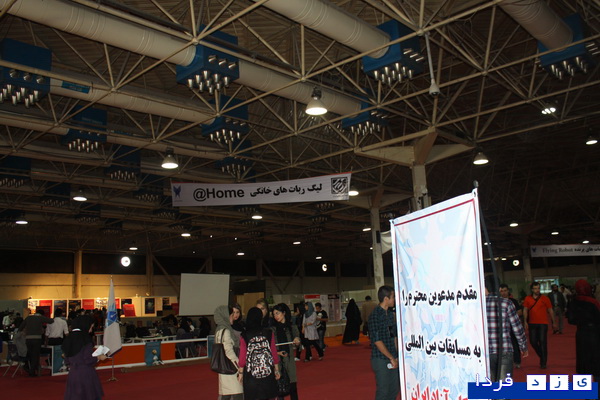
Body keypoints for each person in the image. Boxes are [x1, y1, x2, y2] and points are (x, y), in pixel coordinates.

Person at [486, 284, 528, 383]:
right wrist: (523, 346)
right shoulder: (506, 303)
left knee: (489, 384)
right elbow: (517, 327)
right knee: (504, 385)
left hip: (485, 351)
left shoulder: (477, 305)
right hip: (504, 349)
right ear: (499, 289)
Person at [238, 307, 280, 400]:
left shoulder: (245, 335)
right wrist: (276, 370)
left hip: (251, 375)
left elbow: (242, 357)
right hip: (267, 373)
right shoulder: (269, 333)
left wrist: (240, 373)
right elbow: (273, 352)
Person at [62, 315, 106, 399]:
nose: (91, 330)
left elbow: (66, 359)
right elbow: (88, 360)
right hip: (86, 373)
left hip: (73, 373)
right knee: (88, 396)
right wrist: (99, 357)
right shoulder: (86, 339)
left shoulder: (68, 338)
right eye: (91, 327)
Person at [368, 285, 399, 400]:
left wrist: (396, 355)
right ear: (386, 299)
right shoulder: (375, 315)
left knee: (394, 389)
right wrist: (391, 357)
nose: (394, 299)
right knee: (383, 391)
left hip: (392, 357)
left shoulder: (390, 315)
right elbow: (377, 340)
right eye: (393, 297)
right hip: (380, 359)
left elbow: (393, 335)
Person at [567, 279, 600, 382]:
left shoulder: (573, 302)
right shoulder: (593, 302)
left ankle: (584, 385)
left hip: (581, 332)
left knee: (582, 357)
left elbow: (570, 320)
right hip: (595, 332)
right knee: (596, 357)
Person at [523, 281, 556, 369]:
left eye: (538, 288)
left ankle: (543, 362)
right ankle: (542, 355)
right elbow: (525, 310)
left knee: (542, 341)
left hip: (543, 323)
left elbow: (550, 310)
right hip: (532, 323)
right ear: (532, 289)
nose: (537, 290)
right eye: (535, 288)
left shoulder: (545, 299)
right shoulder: (527, 298)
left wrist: (554, 322)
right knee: (533, 341)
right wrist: (525, 321)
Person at [214, 305, 244, 400]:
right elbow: (229, 351)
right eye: (231, 315)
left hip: (225, 367)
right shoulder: (226, 330)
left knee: (226, 394)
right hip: (231, 367)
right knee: (236, 393)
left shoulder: (220, 329)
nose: (233, 316)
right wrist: (239, 366)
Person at [272, 303, 301, 400]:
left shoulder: (292, 327)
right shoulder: (272, 329)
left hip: (289, 359)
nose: (276, 316)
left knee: (293, 386)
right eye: (274, 314)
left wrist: (297, 341)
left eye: (277, 313)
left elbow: (298, 341)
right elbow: (270, 347)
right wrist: (277, 353)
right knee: (280, 388)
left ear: (284, 313)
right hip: (278, 361)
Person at [19, 307, 54, 377]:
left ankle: (30, 367)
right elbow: (51, 321)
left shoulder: (28, 318)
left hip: (28, 339)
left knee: (30, 354)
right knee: (35, 355)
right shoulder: (40, 318)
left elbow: (20, 328)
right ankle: (32, 372)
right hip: (37, 339)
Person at [499, 284, 522, 368]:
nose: (503, 293)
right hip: (502, 327)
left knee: (515, 344)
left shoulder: (513, 301)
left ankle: (517, 361)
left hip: (512, 326)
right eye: (501, 291)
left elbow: (520, 312)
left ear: (508, 291)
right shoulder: (497, 302)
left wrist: (510, 317)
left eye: (505, 291)